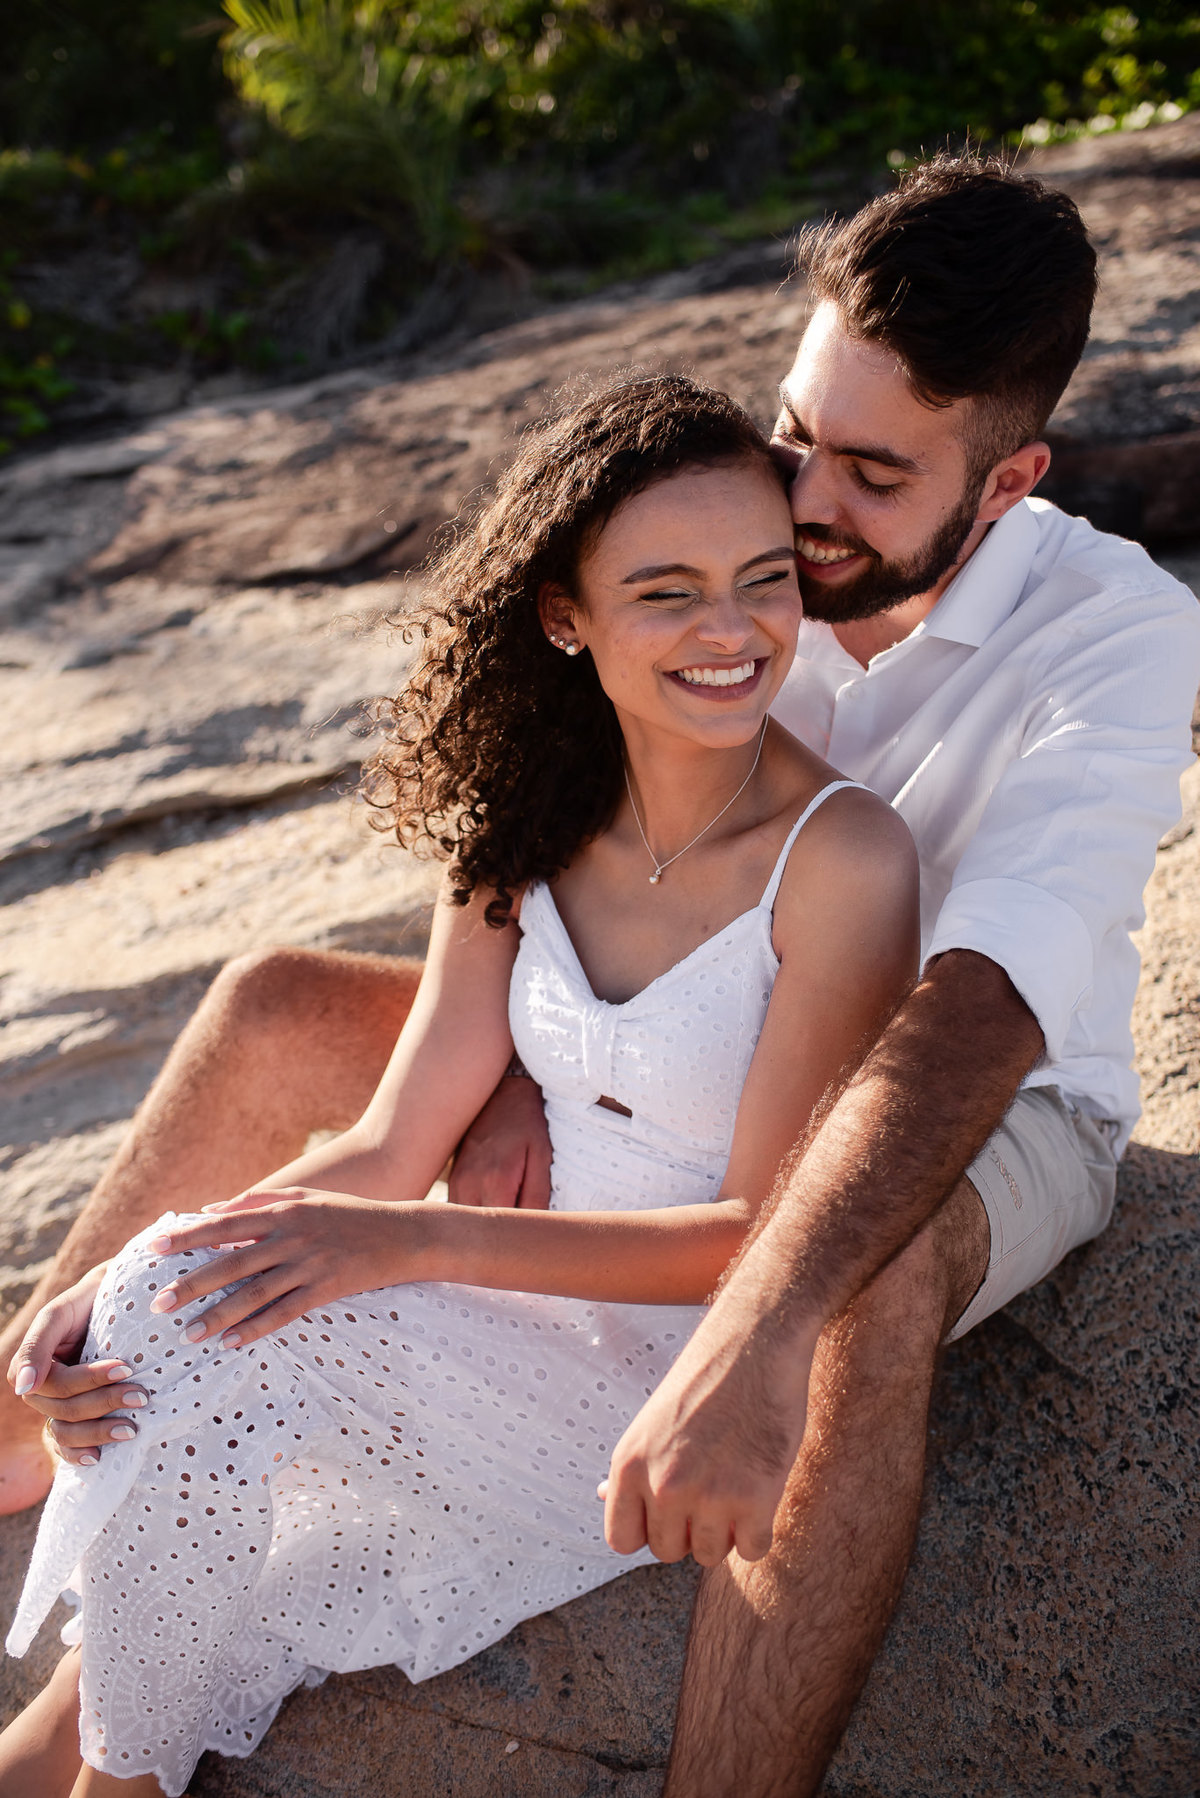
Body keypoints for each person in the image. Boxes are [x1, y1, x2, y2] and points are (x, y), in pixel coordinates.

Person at [6, 151, 1200, 1795]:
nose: (800, 500)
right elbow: (587, 846)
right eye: (797, 432)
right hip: (696, 1029)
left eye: (869, 472)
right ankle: (27, 1454)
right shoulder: (727, 546)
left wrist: (757, 1324)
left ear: (1004, 485)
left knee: (865, 1273)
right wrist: (505, 1063)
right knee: (279, 1007)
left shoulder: (1115, 633)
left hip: (977, 1081)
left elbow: (980, 1005)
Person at [0, 373, 918, 1797]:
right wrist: (139, 1257)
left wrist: (411, 1240)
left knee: (234, 1388)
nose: (733, 632)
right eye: (667, 591)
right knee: (155, 1314)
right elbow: (387, 1145)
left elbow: (757, 1236)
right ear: (568, 614)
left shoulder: (844, 861)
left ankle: (99, 1775)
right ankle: (79, 1757)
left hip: (667, 1370)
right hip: (499, 1304)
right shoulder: (526, 822)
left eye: (762, 580)